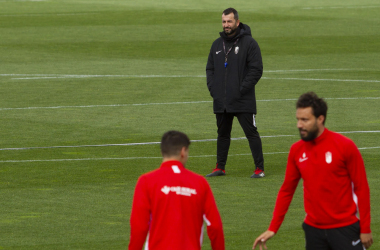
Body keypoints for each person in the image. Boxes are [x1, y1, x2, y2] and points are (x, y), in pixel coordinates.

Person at [252, 92, 373, 250]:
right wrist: (273, 228)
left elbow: (361, 187)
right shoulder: (296, 150)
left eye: (305, 120)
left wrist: (365, 228)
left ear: (320, 119)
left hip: (345, 229)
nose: (299, 125)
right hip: (313, 231)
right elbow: (287, 190)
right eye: (298, 119)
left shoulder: (345, 146)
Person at [128, 130, 225, 250]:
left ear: (163, 151)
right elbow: (215, 226)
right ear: (183, 152)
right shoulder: (200, 182)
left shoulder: (146, 181)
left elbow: (139, 226)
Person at [205, 7, 265, 178]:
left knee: (251, 133)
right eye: (224, 21)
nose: (226, 25)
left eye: (229, 21)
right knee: (222, 134)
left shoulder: (249, 43)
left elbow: (256, 69)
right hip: (221, 100)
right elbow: (210, 68)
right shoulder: (217, 44)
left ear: (237, 22)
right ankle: (220, 167)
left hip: (242, 99)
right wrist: (214, 89)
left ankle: (259, 169)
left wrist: (240, 89)